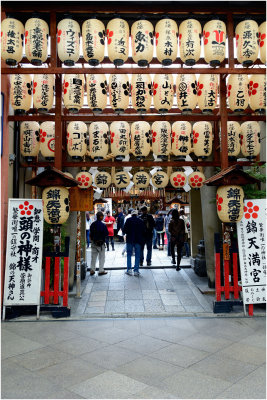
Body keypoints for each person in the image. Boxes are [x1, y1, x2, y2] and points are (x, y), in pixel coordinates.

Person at [123, 209, 145, 276]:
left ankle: (129, 270)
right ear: (137, 214)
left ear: (132, 214)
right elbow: (143, 231)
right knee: (137, 255)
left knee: (129, 254)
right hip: (138, 240)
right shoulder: (140, 221)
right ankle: (136, 270)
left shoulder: (128, 220)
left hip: (129, 240)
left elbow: (125, 230)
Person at [89, 211, 109, 276]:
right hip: (101, 243)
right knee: (102, 257)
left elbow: (90, 233)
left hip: (94, 243)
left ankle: (92, 270)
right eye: (102, 216)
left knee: (93, 257)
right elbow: (106, 234)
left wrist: (92, 240)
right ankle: (101, 270)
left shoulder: (92, 224)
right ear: (100, 217)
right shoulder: (103, 225)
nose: (103, 217)